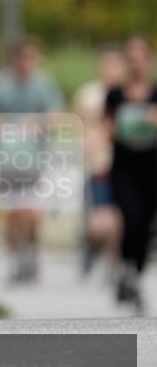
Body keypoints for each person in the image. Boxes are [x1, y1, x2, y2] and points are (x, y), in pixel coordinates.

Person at [0, 37, 65, 282]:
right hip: (7, 158)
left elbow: (56, 117)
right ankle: (17, 258)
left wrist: (35, 123)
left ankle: (30, 251)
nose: (26, 63)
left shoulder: (44, 84)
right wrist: (5, 128)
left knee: (30, 212)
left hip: (35, 158)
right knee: (12, 213)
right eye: (23, 58)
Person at [104, 36, 157, 312]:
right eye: (131, 58)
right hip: (124, 169)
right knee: (131, 218)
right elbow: (106, 128)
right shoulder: (115, 95)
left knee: (146, 225)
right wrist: (123, 125)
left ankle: (134, 273)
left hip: (151, 168)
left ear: (148, 61)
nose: (136, 64)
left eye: (140, 58)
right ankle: (126, 268)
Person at [72, 46, 125, 278]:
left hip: (125, 166)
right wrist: (86, 143)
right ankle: (92, 247)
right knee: (99, 221)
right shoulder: (89, 94)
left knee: (119, 216)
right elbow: (78, 125)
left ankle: (115, 265)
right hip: (98, 163)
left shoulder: (128, 93)